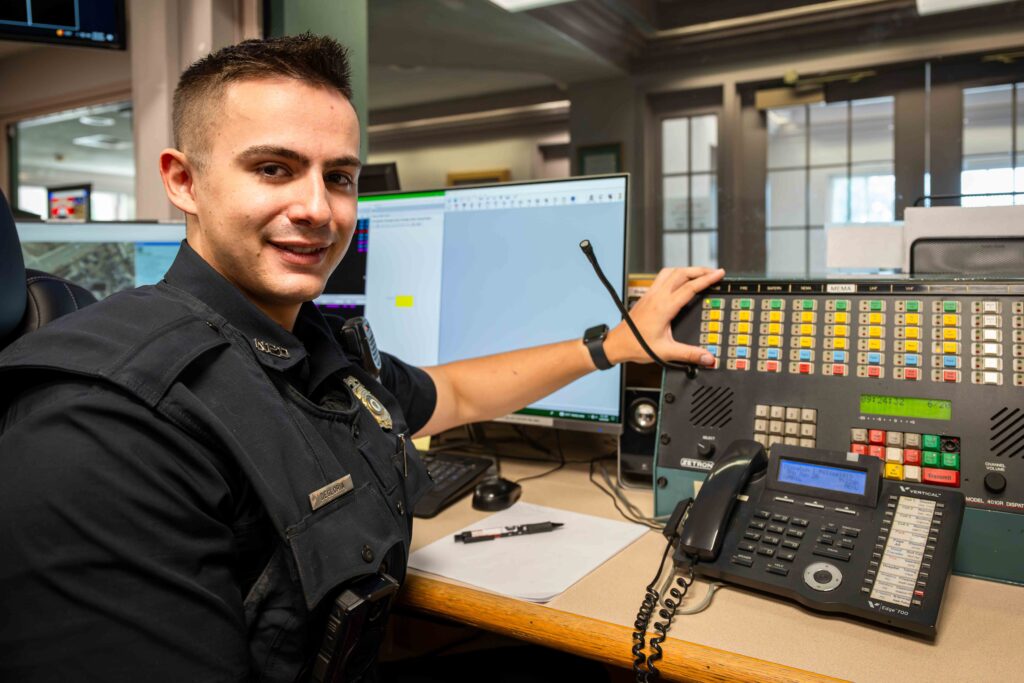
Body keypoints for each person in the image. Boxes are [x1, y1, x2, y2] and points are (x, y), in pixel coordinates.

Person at [0, 34, 724, 682]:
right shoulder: (106, 424)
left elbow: (454, 394)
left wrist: (612, 346)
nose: (319, 208)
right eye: (275, 169)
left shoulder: (308, 345)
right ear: (183, 181)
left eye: (338, 176)